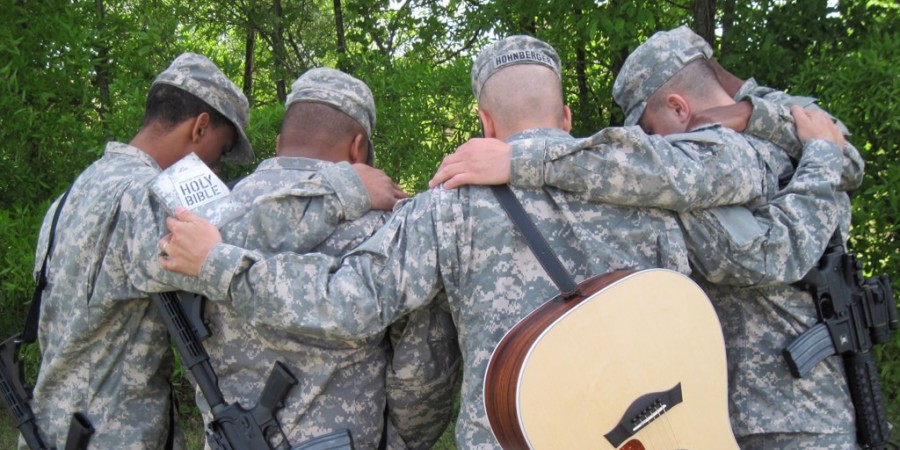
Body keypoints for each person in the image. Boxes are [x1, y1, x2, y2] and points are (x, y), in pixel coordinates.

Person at [155, 35, 846, 449]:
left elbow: (350, 304)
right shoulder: (649, 178)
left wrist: (219, 265)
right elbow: (762, 256)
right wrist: (819, 156)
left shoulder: (447, 208)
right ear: (568, 113)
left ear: (484, 122)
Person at [432, 26, 863, 449]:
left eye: (651, 133)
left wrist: (522, 156)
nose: (653, 146)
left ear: (678, 108)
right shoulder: (797, 145)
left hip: (788, 417)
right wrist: (808, 145)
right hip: (724, 414)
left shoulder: (727, 159)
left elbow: (758, 249)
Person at [182, 67, 458, 449]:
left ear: (279, 143)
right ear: (357, 148)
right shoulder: (386, 224)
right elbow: (420, 370)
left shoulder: (202, 226)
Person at [24, 52, 253, 450]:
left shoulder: (69, 199)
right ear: (200, 128)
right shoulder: (150, 199)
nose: (215, 169)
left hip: (50, 431)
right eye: (220, 150)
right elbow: (247, 269)